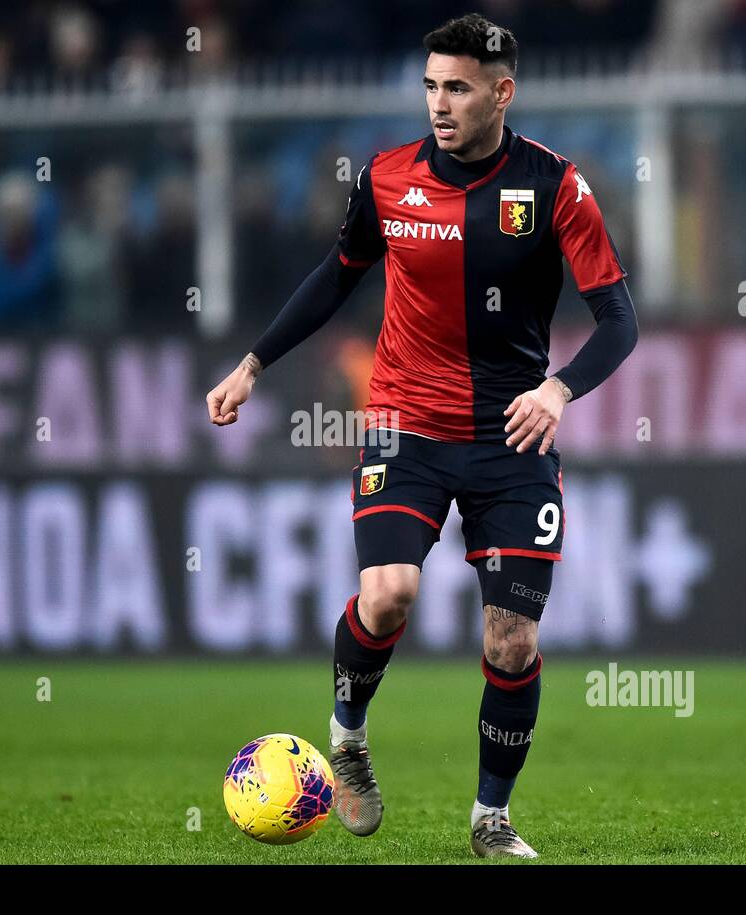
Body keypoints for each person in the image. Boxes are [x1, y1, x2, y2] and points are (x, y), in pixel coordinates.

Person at [205, 13, 638, 859]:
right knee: (389, 593)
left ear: (501, 93)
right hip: (405, 422)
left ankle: (490, 818)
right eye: (432, 86)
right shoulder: (389, 178)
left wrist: (560, 387)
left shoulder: (555, 188)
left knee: (512, 640)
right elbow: (338, 275)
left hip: (512, 436)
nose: (440, 105)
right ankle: (349, 734)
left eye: (459, 88)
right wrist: (254, 363)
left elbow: (618, 319)